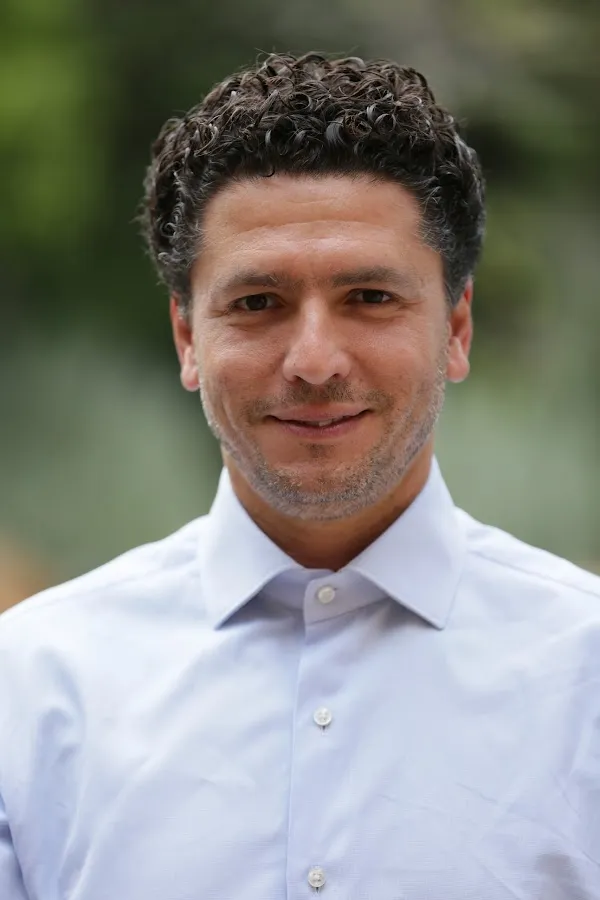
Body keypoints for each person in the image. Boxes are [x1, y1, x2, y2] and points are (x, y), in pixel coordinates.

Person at [1, 51, 599, 900]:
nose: (314, 362)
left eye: (370, 298)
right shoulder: (31, 687)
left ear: (457, 329)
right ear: (187, 339)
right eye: (258, 304)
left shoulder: (586, 677)